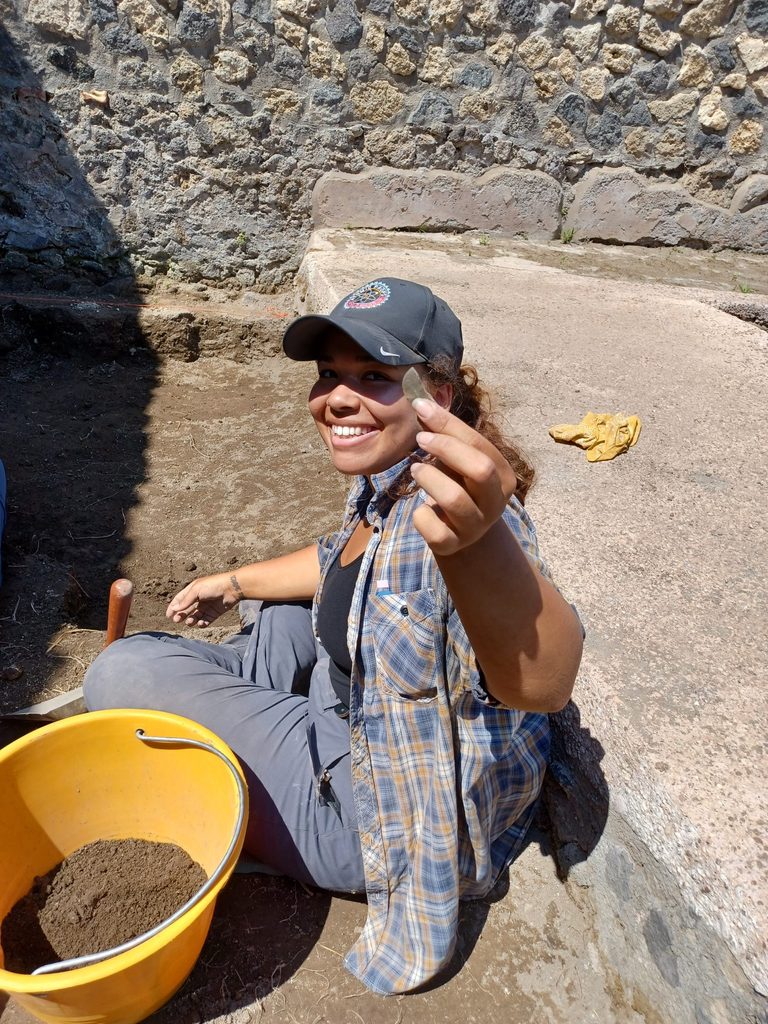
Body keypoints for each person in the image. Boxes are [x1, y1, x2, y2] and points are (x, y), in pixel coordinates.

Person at [84, 277, 583, 995]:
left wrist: (480, 548)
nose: (338, 399)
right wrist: (234, 580)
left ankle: (228, 752)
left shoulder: (460, 524)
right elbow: (336, 559)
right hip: (358, 718)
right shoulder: (392, 473)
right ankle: (234, 733)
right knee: (278, 607)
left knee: (122, 674)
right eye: (329, 375)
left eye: (374, 378)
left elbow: (543, 682)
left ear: (437, 395)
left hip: (380, 818)